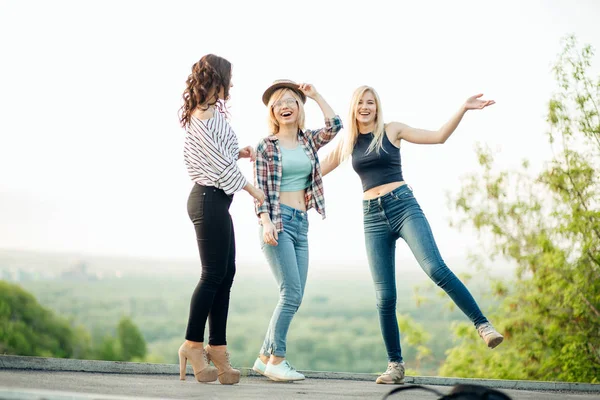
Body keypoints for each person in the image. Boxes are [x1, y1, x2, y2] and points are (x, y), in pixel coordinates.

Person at [321, 86, 503, 385]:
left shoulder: (393, 130)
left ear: (377, 108)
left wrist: (463, 108)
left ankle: (483, 325)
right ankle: (395, 365)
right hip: (371, 217)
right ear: (354, 108)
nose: (365, 107)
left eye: (371, 102)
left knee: (435, 268)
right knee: (384, 297)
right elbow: (316, 170)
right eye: (360, 103)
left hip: (403, 206)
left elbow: (439, 136)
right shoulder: (349, 142)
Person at [178, 54, 265, 385]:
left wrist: (237, 152)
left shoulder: (209, 113)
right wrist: (253, 190)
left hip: (214, 200)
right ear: (217, 79)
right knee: (212, 274)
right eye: (229, 78)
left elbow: (218, 157)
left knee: (225, 275)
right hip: (206, 199)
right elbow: (219, 168)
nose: (232, 84)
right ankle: (192, 345)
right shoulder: (204, 114)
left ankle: (218, 349)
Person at [252, 80, 343, 382]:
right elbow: (261, 190)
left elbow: (336, 125)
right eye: (278, 103)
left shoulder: (308, 141)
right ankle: (277, 359)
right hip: (277, 223)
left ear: (299, 108)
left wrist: (316, 94)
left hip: (301, 224)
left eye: (291, 101)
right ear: (273, 112)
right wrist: (265, 221)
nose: (285, 106)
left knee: (295, 294)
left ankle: (264, 358)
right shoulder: (267, 146)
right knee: (290, 293)